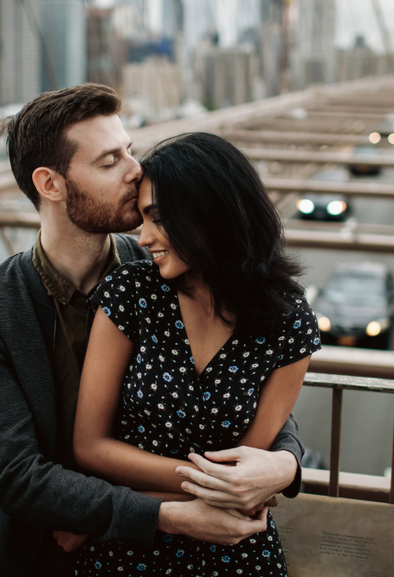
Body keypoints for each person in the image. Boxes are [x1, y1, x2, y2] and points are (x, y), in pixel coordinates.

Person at [0, 85, 305, 576]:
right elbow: (16, 477)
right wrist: (166, 515)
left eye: (130, 151)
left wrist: (286, 463)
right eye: (109, 161)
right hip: (42, 556)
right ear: (50, 184)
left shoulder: (165, 267)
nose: (135, 171)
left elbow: (241, 379)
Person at [72, 133, 319, 576]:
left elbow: (246, 477)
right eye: (143, 218)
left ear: (213, 213)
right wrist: (181, 498)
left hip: (233, 543)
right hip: (133, 543)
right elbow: (90, 447)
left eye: (159, 218)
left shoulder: (288, 318)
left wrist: (265, 476)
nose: (143, 237)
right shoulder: (131, 294)